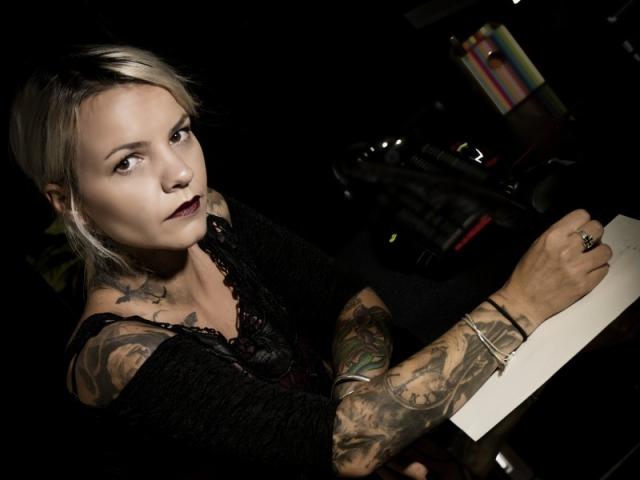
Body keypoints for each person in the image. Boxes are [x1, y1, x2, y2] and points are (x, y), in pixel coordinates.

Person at [9, 45, 612, 479]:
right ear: (68, 201)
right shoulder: (114, 357)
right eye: (127, 161)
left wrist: (364, 404)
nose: (179, 172)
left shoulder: (210, 214)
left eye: (179, 133)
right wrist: (519, 305)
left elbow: (353, 300)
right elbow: (343, 445)